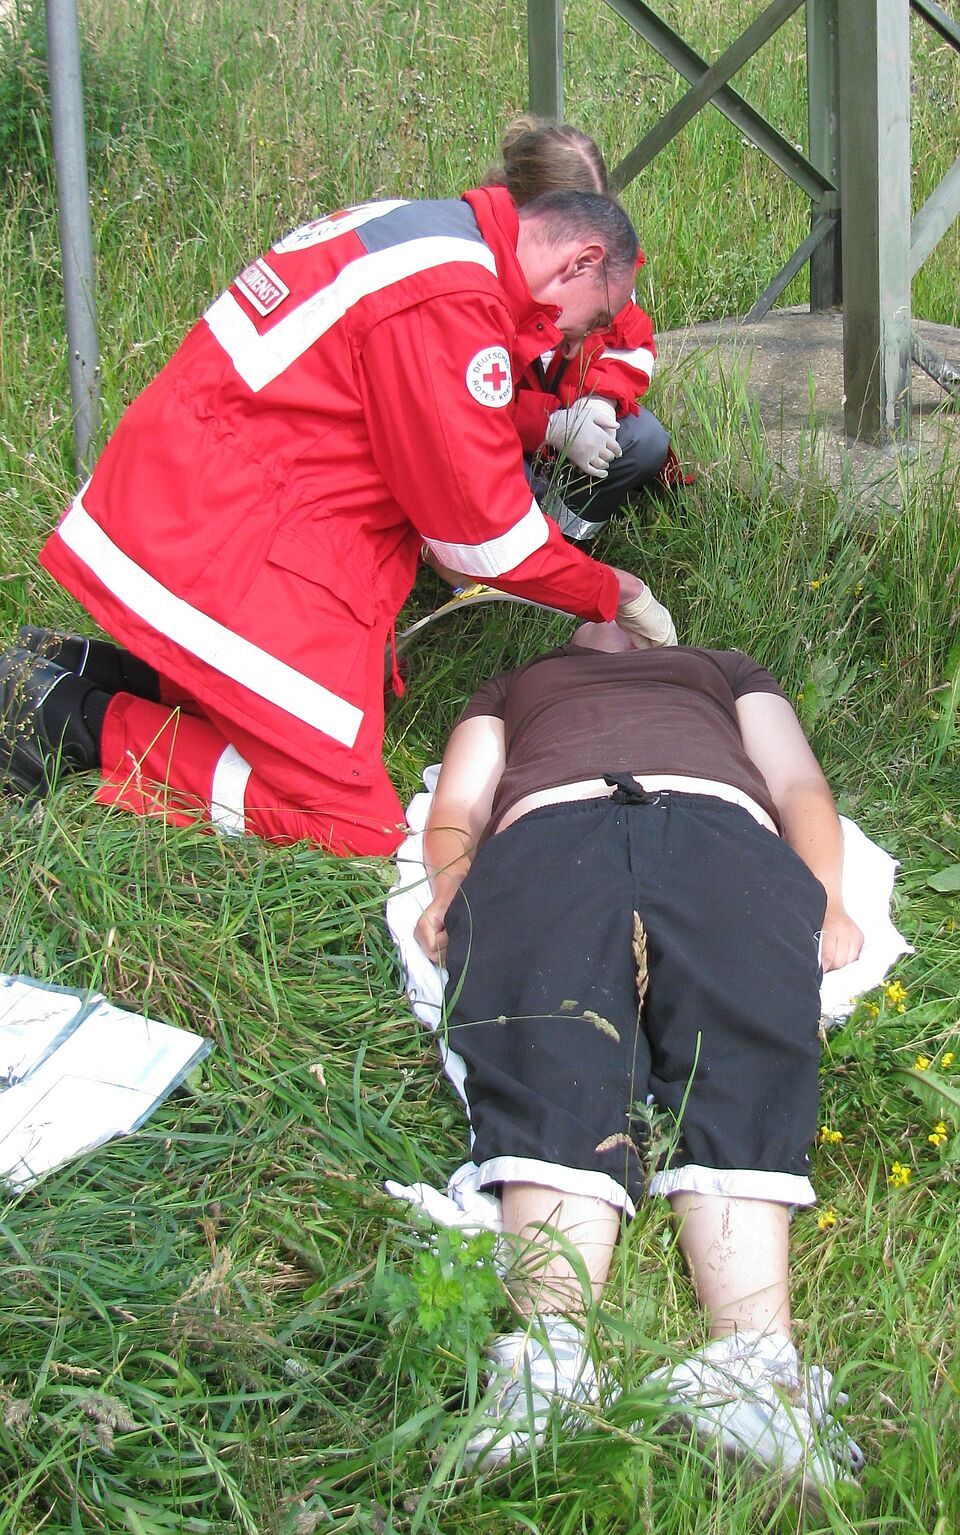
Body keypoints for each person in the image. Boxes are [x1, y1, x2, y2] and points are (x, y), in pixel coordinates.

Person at [0, 189, 676, 854]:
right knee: (353, 825)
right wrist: (615, 592)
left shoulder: (424, 232)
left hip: (188, 498)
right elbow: (485, 539)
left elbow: (422, 414)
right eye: (596, 317)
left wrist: (546, 425)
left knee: (325, 707)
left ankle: (74, 668)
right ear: (583, 262)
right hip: (231, 542)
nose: (578, 336)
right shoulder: (453, 299)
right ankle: (68, 723)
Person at [413, 620, 866, 1492]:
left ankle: (755, 1372)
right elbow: (459, 805)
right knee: (547, 1037)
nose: (609, 597)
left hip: (717, 827)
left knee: (744, 1029)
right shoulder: (520, 680)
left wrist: (828, 895)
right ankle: (548, 1362)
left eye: (628, 593)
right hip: (547, 834)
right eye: (589, 589)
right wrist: (451, 885)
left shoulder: (719, 668)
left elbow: (797, 782)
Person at [489, 116, 682, 544]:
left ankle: (566, 540)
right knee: (498, 472)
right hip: (503, 436)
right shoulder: (481, 272)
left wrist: (600, 400)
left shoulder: (607, 262)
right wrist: (548, 425)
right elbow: (467, 405)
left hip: (568, 421)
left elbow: (632, 340)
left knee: (644, 440)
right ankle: (497, 560)